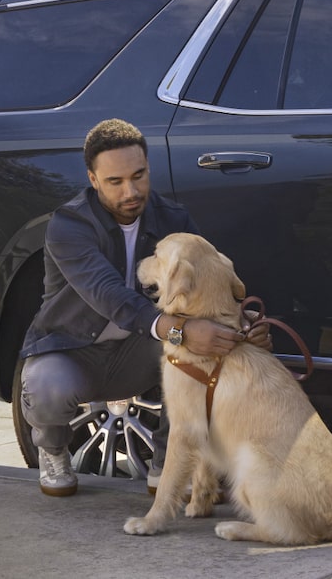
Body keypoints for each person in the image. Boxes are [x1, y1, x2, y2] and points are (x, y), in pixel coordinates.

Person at [18, 118, 266, 497]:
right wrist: (180, 330)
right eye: (115, 182)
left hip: (140, 353)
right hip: (73, 351)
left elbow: (206, 287)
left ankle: (168, 463)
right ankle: (52, 449)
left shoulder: (173, 220)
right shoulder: (69, 225)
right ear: (93, 178)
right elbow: (109, 294)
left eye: (139, 175)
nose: (131, 191)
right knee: (45, 387)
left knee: (208, 356)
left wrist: (240, 326)